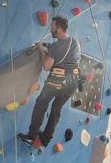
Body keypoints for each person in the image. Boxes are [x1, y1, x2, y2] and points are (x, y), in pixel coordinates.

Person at [18, 16, 81, 149]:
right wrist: (49, 49)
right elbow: (64, 56)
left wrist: (41, 48)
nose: (51, 30)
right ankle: (45, 140)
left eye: (52, 27)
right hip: (72, 82)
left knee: (41, 103)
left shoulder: (57, 46)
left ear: (58, 28)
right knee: (56, 109)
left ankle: (32, 134)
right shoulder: (75, 42)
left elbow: (47, 66)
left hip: (58, 80)